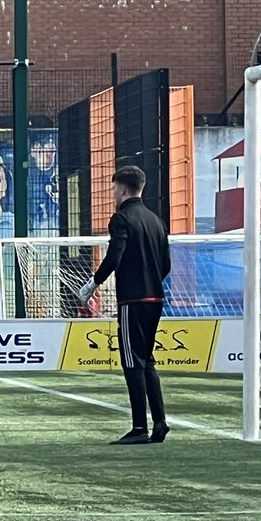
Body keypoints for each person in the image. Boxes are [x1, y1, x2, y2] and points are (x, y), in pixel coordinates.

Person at [77, 166, 171, 444]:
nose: (113, 194)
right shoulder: (156, 221)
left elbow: (114, 255)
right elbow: (166, 264)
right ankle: (160, 421)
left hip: (133, 299)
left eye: (114, 189)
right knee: (147, 360)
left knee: (132, 362)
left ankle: (139, 427)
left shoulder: (121, 219)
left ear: (124, 189)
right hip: (155, 298)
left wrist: (93, 283)